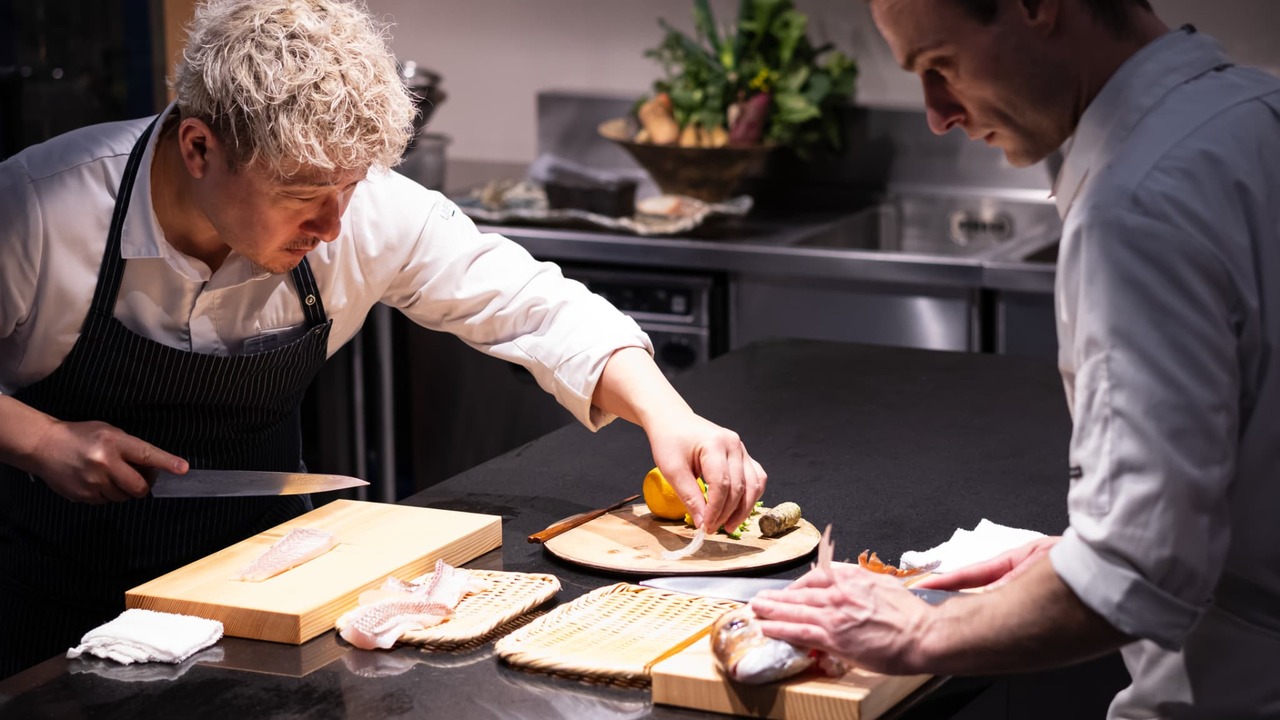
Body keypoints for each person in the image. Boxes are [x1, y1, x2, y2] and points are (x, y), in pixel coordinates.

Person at [0, 0, 766, 679]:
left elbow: (535, 305)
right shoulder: (39, 208)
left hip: (267, 609)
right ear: (200, 148)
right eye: (303, 196)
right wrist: (38, 440)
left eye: (349, 190)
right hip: (50, 612)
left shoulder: (356, 211)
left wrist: (670, 416)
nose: (333, 226)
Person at [751, 1, 1280, 717]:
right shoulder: (1253, 111)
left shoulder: (1138, 205)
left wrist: (921, 630)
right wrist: (1073, 553)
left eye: (940, 66)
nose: (937, 114)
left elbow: (1137, 572)